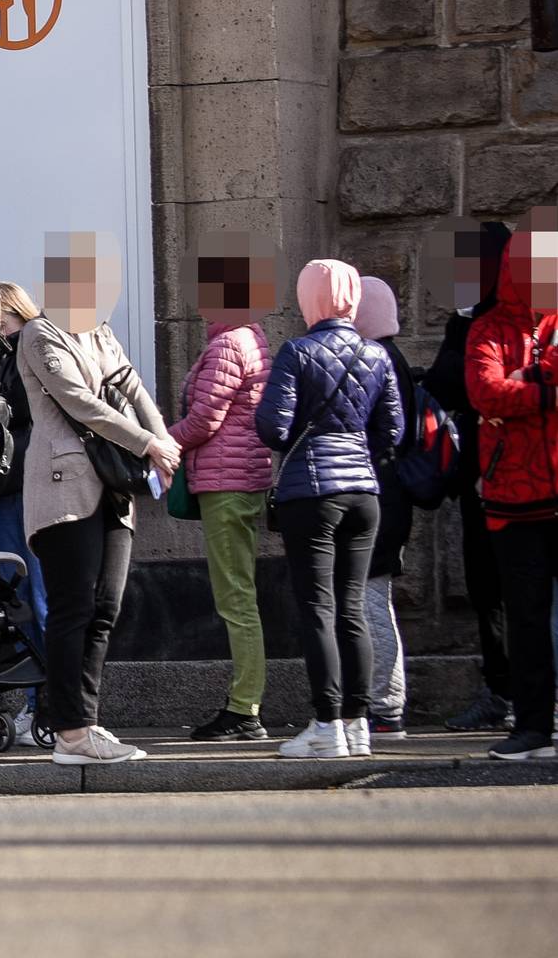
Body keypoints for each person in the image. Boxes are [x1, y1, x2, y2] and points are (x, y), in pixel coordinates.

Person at [20, 233, 176, 766]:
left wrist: (163, 442)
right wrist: (148, 443)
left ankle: (85, 721)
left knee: (105, 610)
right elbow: (80, 403)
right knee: (73, 608)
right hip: (65, 487)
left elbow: (132, 389)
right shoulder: (39, 335)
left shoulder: (101, 333)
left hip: (113, 489)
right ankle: (69, 732)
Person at [257, 258, 400, 761]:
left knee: (318, 610)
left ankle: (326, 725)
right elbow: (393, 432)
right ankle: (359, 724)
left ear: (308, 298)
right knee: (354, 608)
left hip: (311, 493)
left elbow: (272, 429)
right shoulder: (376, 354)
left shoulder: (297, 351)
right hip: (365, 493)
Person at [167, 239, 277, 743]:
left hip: (226, 482)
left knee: (235, 597)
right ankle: (244, 703)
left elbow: (203, 420)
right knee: (241, 593)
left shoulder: (227, 344)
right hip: (244, 478)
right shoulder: (252, 338)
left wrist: (154, 443)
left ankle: (244, 709)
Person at [464, 207, 558, 761]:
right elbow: (485, 392)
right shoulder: (488, 327)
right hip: (512, 500)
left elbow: (503, 393)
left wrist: (526, 379)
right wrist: (546, 390)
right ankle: (531, 727)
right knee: (524, 620)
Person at [428, 221, 518, 734]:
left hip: (516, 475)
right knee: (487, 589)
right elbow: (444, 382)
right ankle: (500, 690)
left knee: (522, 588)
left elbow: (468, 384)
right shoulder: (467, 318)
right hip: (479, 475)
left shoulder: (505, 319)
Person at [356, 276, 416, 740]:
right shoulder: (393, 358)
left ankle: (385, 705)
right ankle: (384, 702)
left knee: (370, 599)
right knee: (376, 599)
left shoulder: (378, 361)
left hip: (379, 494)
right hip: (389, 493)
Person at [0, 280, 47, 741]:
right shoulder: (4, 352)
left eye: (0, 318)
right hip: (11, 488)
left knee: (41, 600)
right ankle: (35, 704)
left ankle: (52, 705)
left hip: (35, 486)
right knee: (21, 600)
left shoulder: (34, 343)